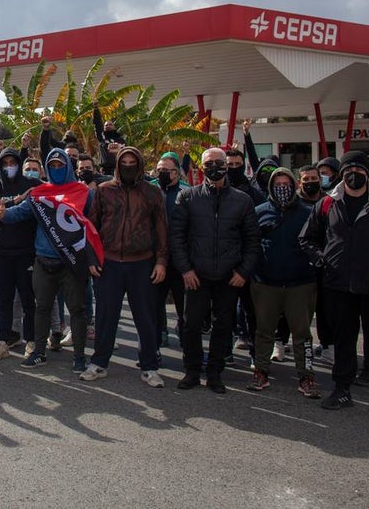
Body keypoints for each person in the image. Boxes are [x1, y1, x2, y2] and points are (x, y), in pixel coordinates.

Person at [301, 150, 369, 420]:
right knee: (343, 340)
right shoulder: (327, 204)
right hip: (339, 287)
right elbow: (307, 239)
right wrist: (321, 260)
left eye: (359, 170)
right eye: (349, 170)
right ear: (341, 173)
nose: (354, 174)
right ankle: (342, 390)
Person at [0, 148, 100, 372]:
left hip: (72, 262)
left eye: (61, 165)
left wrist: (92, 258)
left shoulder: (83, 192)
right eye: (52, 165)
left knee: (77, 310)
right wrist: (4, 214)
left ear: (68, 167)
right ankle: (38, 352)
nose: (57, 169)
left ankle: (79, 357)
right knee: (41, 308)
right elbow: (21, 212)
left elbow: (93, 226)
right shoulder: (40, 192)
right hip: (44, 260)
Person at [170, 147, 261, 393]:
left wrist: (243, 272)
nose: (214, 167)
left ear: (227, 166)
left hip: (229, 277)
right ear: (201, 167)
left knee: (223, 326)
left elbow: (253, 241)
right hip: (196, 275)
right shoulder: (188, 197)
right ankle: (191, 370)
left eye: (219, 162)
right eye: (209, 163)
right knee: (191, 325)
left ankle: (215, 372)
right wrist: (186, 270)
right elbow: (177, 237)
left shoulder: (242, 200)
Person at [80, 147, 168, 388]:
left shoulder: (152, 193)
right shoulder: (104, 191)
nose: (129, 166)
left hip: (141, 263)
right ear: (118, 165)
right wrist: (91, 258)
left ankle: (149, 367)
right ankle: (99, 363)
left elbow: (161, 229)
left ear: (139, 164)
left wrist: (161, 261)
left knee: (146, 319)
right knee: (106, 318)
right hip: (109, 265)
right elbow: (91, 227)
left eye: (133, 162)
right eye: (124, 162)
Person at [246, 167, 320, 397]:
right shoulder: (259, 212)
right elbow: (250, 245)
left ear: (294, 186)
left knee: (302, 334)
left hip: (300, 284)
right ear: (270, 187)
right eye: (277, 184)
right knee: (264, 331)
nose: (282, 189)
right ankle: (261, 372)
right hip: (266, 283)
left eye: (286, 184)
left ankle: (306, 377)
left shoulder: (309, 212)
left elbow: (319, 243)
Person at [0, 146, 38, 361]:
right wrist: (16, 201)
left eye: (13, 162)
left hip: (26, 252)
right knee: (4, 300)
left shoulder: (31, 184)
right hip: (2, 252)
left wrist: (9, 206)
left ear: (19, 163)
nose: (9, 167)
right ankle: (3, 342)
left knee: (28, 300)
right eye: (5, 163)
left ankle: (32, 342)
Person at [153, 153, 187, 346]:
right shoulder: (150, 190)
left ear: (176, 172)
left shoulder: (188, 192)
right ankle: (158, 339)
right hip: (155, 260)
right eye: (159, 170)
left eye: (166, 170)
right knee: (155, 304)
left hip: (180, 260)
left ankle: (185, 343)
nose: (162, 173)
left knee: (184, 307)